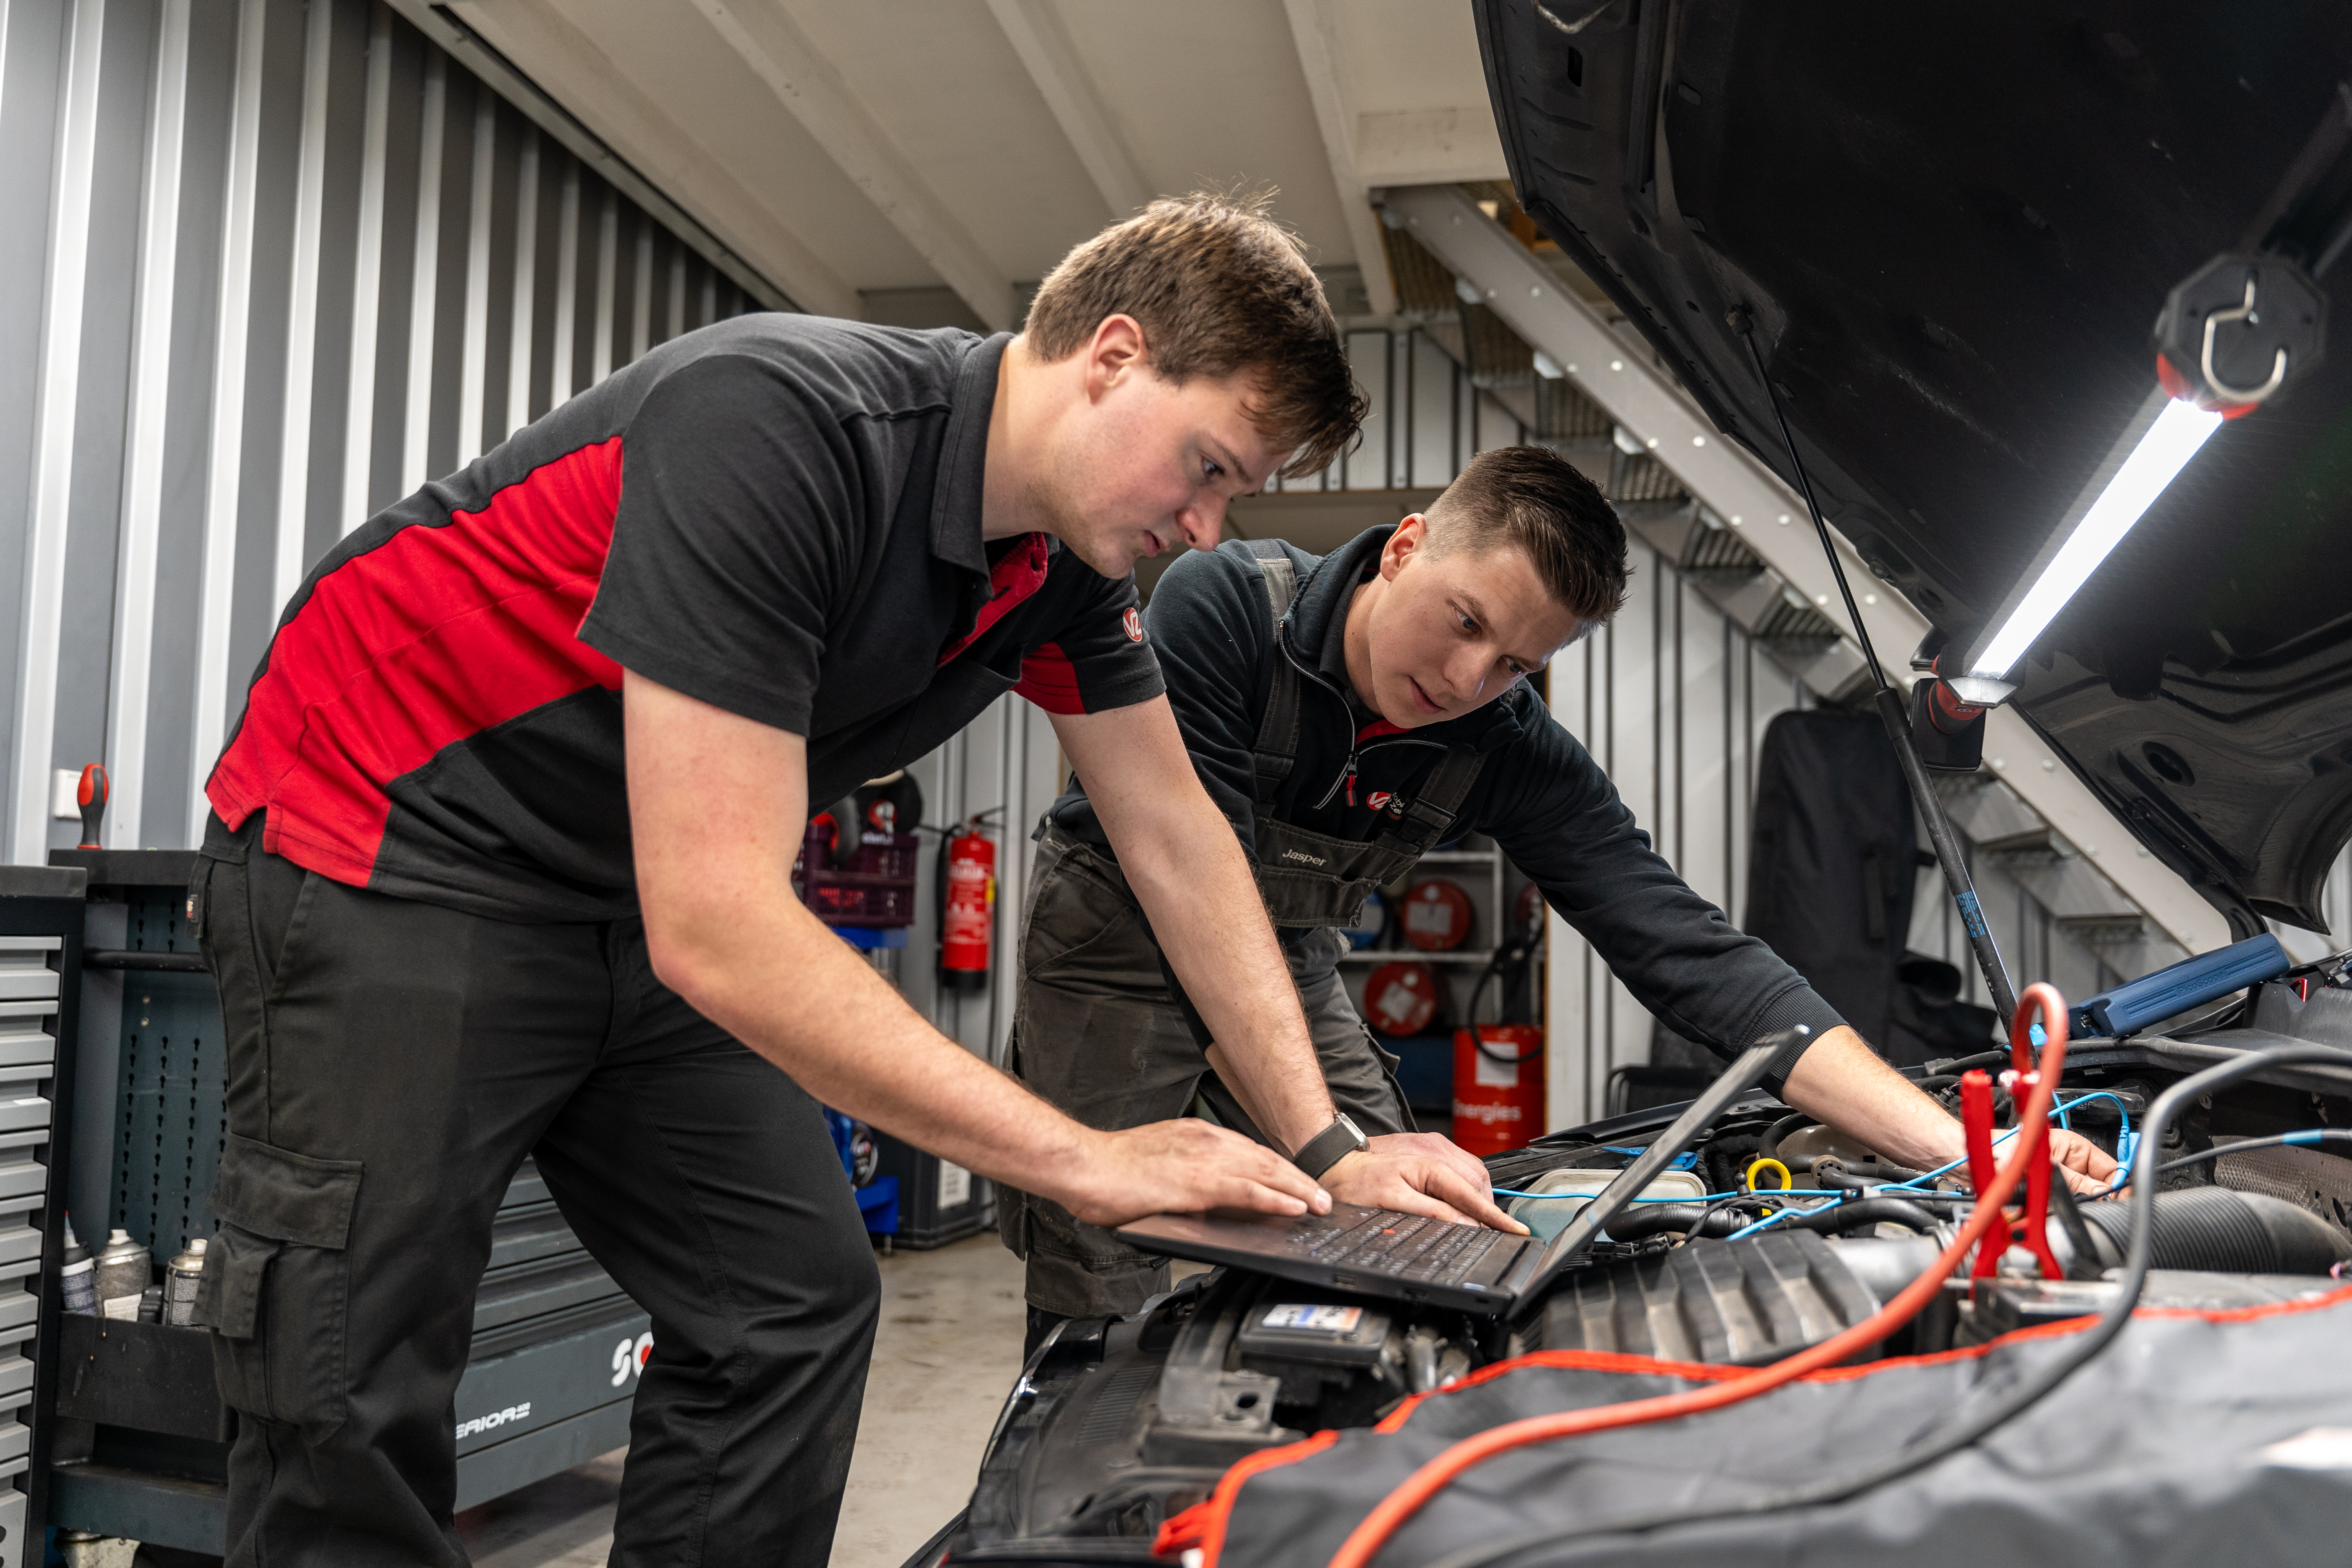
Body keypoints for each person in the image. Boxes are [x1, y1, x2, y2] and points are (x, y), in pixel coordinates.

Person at [187, 193, 1513, 1568]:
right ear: (1112, 357)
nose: (1205, 524)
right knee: (353, 1371)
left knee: (790, 1303)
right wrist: (1089, 1159)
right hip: (389, 840)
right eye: (1208, 465)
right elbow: (721, 921)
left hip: (621, 891)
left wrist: (1331, 1149)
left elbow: (1174, 831)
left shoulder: (1052, 565)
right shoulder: (778, 425)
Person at [999, 445, 2119, 1331]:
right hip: (1120, 943)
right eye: (1469, 621)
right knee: (1111, 1273)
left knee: (1403, 1238)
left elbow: (1695, 955)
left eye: (1519, 665)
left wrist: (1962, 1147)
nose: (1467, 682)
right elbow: (1192, 878)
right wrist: (1329, 1145)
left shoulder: (1506, 743)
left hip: (1287, 955)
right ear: (1403, 549)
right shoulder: (1222, 610)